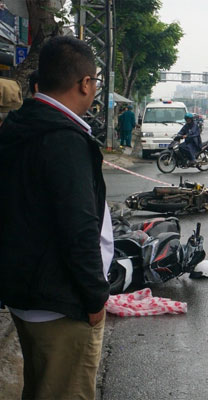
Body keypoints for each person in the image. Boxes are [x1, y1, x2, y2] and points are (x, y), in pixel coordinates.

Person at [0, 36, 111, 399]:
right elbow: (78, 229)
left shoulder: (20, 125)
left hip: (26, 291)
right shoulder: (64, 139)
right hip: (61, 302)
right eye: (95, 81)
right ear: (85, 83)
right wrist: (94, 297)